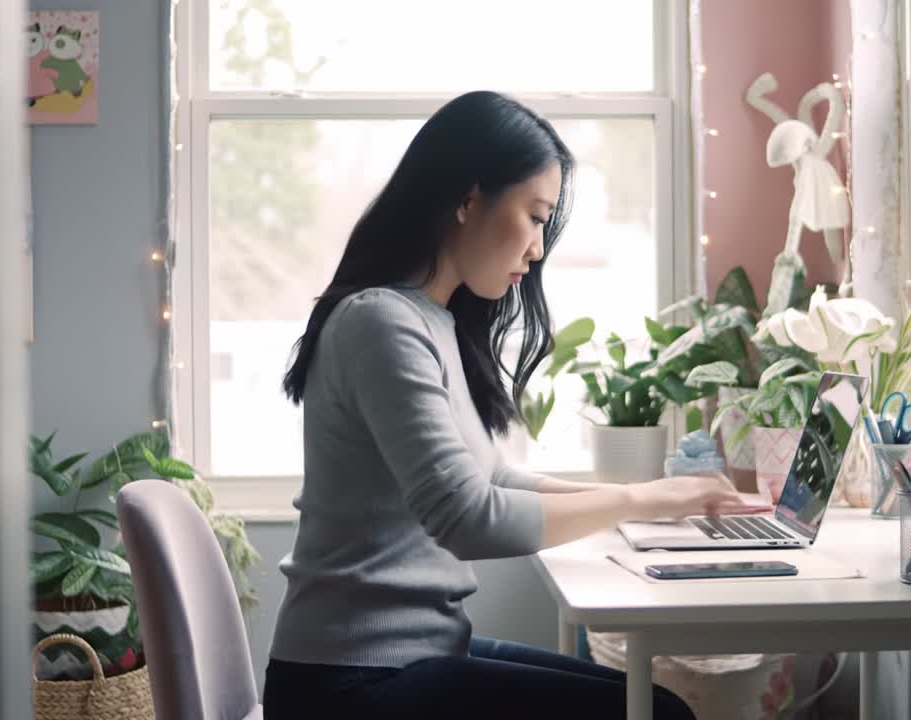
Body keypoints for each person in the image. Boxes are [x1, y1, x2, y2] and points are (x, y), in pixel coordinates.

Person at [266, 90, 743, 720]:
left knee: (652, 706)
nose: (538, 248)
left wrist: (650, 499)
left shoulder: (431, 320)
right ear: (467, 200)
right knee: (656, 714)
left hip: (410, 658)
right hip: (347, 685)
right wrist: (639, 501)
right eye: (536, 216)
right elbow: (467, 516)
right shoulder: (380, 322)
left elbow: (491, 478)